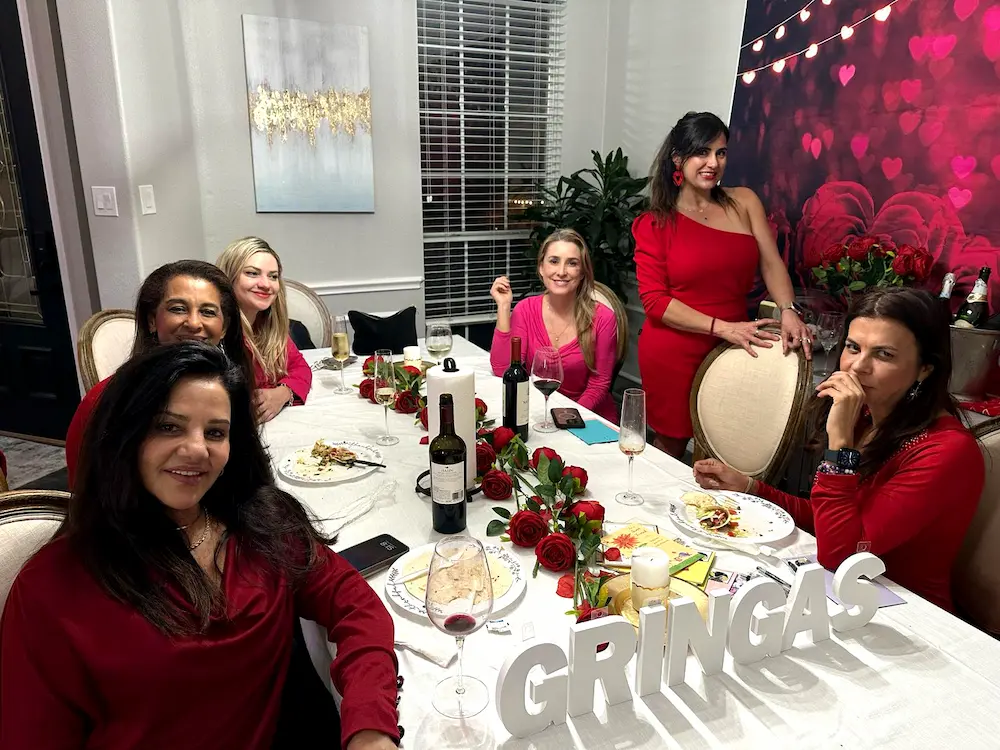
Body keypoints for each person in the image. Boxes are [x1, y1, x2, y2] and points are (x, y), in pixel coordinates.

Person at [1, 343, 399, 749]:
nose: (196, 449)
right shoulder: (52, 589)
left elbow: (355, 604)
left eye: (215, 432)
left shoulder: (262, 526)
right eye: (168, 427)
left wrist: (370, 726)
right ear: (124, 434)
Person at [693, 288, 985, 613]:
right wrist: (752, 488)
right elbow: (832, 521)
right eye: (853, 347)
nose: (858, 367)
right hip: (850, 595)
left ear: (925, 369)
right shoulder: (867, 414)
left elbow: (841, 553)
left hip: (909, 614)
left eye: (884, 354)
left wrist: (840, 445)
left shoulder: (947, 450)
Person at [634, 111, 812, 458]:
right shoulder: (654, 223)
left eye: (721, 152)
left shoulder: (744, 201)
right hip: (676, 349)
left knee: (727, 444)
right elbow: (656, 302)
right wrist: (723, 328)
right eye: (702, 152)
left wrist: (788, 310)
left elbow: (771, 262)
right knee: (671, 444)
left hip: (735, 344)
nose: (713, 163)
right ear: (678, 159)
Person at [65, 260, 252, 487]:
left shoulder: (231, 389)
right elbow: (87, 491)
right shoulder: (103, 399)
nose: (194, 323)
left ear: (224, 327)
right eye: (178, 309)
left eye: (207, 312)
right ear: (152, 320)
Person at [489, 228, 619, 422]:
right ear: (541, 268)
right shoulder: (525, 310)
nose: (561, 272)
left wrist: (565, 418)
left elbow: (599, 385)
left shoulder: (604, 318)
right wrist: (503, 306)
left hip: (588, 416)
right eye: (554, 261)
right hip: (541, 413)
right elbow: (502, 369)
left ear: (582, 272)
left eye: (572, 263)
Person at [217, 236, 312, 423]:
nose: (266, 284)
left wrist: (283, 393)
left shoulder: (267, 326)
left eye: (273, 276)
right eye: (252, 273)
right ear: (229, 278)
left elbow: (300, 368)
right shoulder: (216, 333)